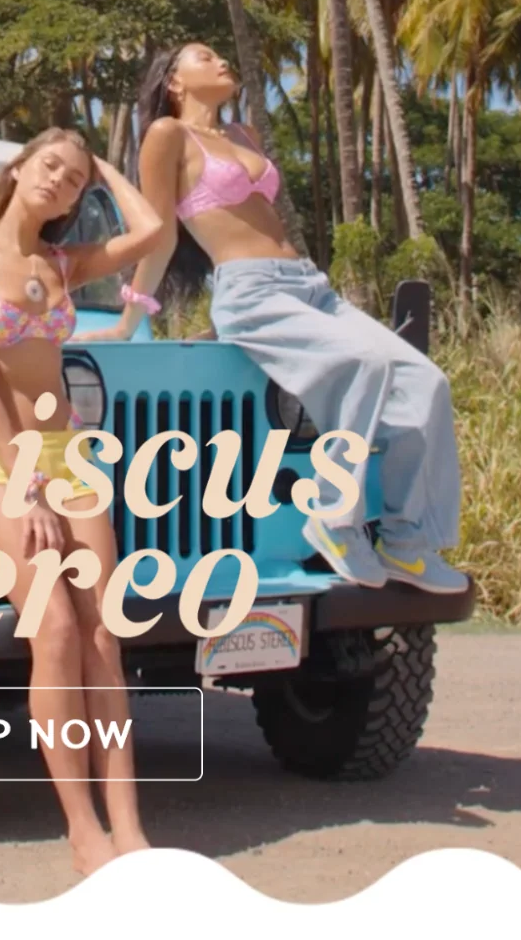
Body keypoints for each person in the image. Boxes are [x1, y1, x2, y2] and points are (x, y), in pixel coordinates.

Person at [90, 43, 468, 596]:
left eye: (223, 54)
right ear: (174, 82)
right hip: (251, 292)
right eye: (204, 56)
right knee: (361, 364)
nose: (222, 61)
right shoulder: (167, 136)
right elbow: (161, 234)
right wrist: (130, 319)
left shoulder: (243, 136)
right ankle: (335, 517)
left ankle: (408, 545)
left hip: (309, 286)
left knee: (425, 385)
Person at [0, 128, 165, 876]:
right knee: (55, 628)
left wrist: (104, 171)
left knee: (103, 632)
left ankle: (128, 826)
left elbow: (153, 230)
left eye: (72, 180)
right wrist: (24, 482)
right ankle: (82, 830)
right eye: (49, 167)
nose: (58, 183)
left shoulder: (63, 262)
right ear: (17, 166)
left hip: (64, 452)